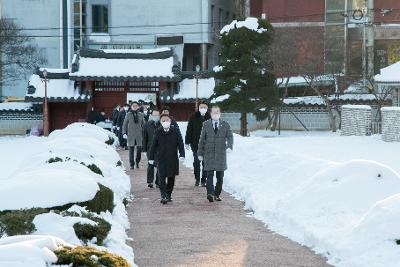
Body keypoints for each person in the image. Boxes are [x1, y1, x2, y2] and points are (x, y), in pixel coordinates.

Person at [197, 105, 233, 202]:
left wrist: (229, 146)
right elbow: (202, 139)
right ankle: (210, 193)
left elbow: (230, 136)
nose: (215, 114)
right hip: (208, 154)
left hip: (221, 154)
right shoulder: (206, 124)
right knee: (209, 175)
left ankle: (217, 194)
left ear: (220, 113)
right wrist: (200, 153)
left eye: (217, 112)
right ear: (211, 113)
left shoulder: (225, 125)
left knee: (220, 177)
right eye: (214, 112)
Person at [148, 114, 185, 204]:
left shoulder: (175, 130)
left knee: (171, 178)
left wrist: (182, 154)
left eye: (167, 120)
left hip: (172, 158)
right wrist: (151, 158)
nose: (165, 122)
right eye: (163, 121)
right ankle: (163, 195)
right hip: (161, 158)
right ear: (161, 122)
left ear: (170, 121)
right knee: (161, 178)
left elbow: (180, 142)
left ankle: (168, 194)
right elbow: (153, 146)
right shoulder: (158, 131)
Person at [185, 101, 211, 187]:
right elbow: (189, 129)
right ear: (199, 108)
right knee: (196, 162)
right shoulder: (193, 117)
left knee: (205, 163)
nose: (203, 109)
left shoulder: (210, 117)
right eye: (201, 107)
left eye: (204, 107)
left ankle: (203, 180)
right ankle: (197, 179)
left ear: (207, 108)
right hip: (195, 143)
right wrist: (187, 142)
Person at [123, 101, 145, 169]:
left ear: (138, 107)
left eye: (136, 106)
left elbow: (144, 125)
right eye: (133, 106)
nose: (135, 107)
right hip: (131, 135)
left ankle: (137, 162)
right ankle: (132, 164)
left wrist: (145, 133)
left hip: (139, 135)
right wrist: (124, 133)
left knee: (139, 150)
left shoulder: (141, 114)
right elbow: (125, 124)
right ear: (131, 107)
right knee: (131, 150)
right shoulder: (128, 114)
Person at [143, 109, 161, 188]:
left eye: (157, 115)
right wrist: (144, 149)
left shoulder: (162, 124)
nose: (155, 117)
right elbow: (144, 138)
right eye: (154, 115)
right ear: (151, 116)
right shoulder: (147, 125)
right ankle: (150, 181)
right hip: (150, 148)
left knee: (159, 165)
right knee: (150, 165)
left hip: (160, 148)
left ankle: (158, 182)